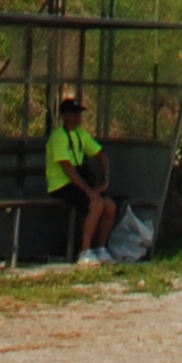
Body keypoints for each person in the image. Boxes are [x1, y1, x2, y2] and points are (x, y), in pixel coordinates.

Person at [48, 89, 116, 264]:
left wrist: (105, 180)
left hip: (78, 183)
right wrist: (88, 190)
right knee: (96, 205)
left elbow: (101, 154)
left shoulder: (81, 134)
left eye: (79, 113)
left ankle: (101, 248)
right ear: (65, 116)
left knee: (110, 206)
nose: (79, 117)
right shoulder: (58, 137)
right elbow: (67, 168)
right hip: (61, 184)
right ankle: (85, 251)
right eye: (75, 113)